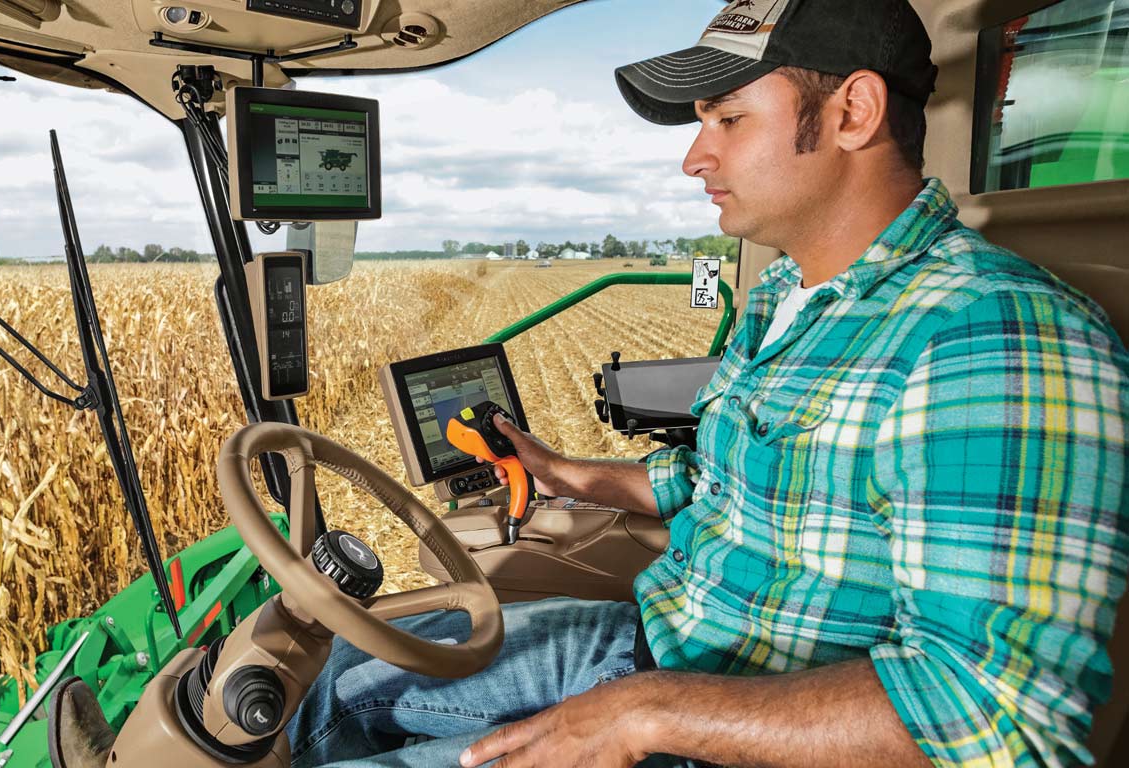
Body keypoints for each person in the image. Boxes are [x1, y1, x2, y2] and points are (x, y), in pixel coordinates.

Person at [285, 1, 1129, 766]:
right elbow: (740, 485)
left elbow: (1002, 719)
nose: (695, 156)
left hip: (743, 725)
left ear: (853, 113)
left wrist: (647, 717)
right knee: (337, 681)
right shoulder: (785, 296)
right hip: (665, 642)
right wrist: (572, 474)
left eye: (728, 117)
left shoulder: (991, 334)